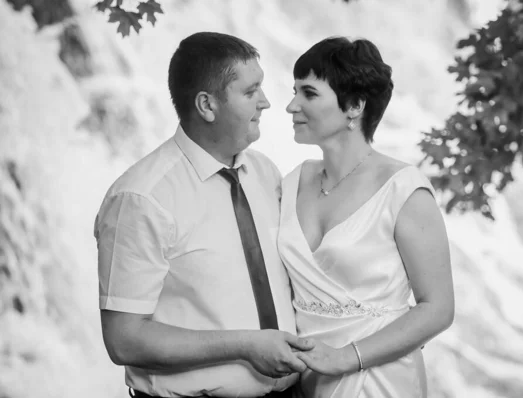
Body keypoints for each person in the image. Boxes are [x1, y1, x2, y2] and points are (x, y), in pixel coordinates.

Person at [94, 32, 315, 398]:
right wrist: (244, 345)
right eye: (250, 92)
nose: (266, 102)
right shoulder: (141, 198)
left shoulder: (265, 172)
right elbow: (124, 341)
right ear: (207, 105)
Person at [279, 37, 455, 397]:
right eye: (294, 91)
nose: (291, 105)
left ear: (355, 106)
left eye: (308, 94)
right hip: (305, 381)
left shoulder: (402, 190)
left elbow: (438, 308)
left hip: (377, 379)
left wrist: (348, 357)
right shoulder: (293, 181)